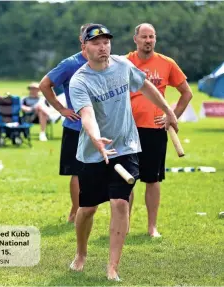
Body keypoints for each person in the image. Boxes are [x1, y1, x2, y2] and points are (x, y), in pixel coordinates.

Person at [68, 24, 178, 280]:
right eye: (96, 43)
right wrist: (96, 138)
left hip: (126, 147)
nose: (103, 46)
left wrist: (169, 111)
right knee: (88, 209)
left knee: (120, 203)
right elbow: (86, 115)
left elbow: (146, 86)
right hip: (94, 152)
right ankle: (81, 253)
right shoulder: (80, 80)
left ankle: (112, 267)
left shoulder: (123, 66)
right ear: (84, 48)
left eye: (106, 41)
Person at [127, 23, 193, 237]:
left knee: (152, 179)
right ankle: (123, 225)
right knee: (126, 179)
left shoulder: (166, 63)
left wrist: (172, 116)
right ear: (135, 39)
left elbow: (186, 93)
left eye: (152, 37)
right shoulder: (124, 63)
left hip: (155, 130)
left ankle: (152, 227)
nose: (148, 40)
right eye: (144, 36)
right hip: (127, 130)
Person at [39, 23, 91, 223]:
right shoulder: (70, 64)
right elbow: (45, 84)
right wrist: (61, 109)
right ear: (82, 40)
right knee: (77, 173)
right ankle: (75, 212)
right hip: (76, 127)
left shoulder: (107, 62)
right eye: (90, 38)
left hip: (102, 128)